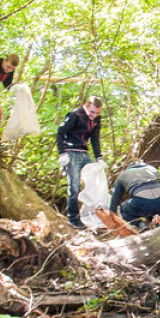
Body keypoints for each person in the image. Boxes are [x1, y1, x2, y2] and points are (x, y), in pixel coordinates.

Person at [55, 96, 103, 228]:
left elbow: (95, 138)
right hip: (71, 151)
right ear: (86, 106)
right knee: (74, 185)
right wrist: (62, 153)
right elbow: (60, 132)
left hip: (84, 153)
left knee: (95, 181)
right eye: (92, 112)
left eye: (97, 113)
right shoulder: (75, 115)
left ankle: (94, 214)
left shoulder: (96, 119)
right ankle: (73, 217)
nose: (94, 115)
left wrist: (99, 157)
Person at [109, 162, 160, 230]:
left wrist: (112, 216)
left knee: (123, 208)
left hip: (141, 203)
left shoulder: (123, 175)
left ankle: (141, 225)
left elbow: (115, 199)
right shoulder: (152, 169)